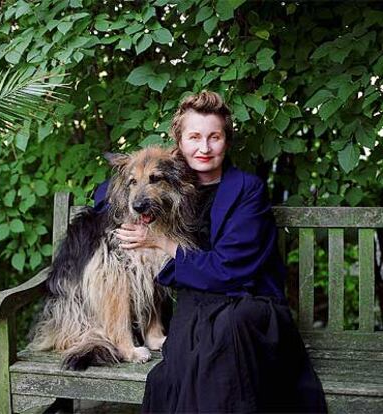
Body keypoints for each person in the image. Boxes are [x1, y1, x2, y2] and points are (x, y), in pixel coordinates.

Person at [112, 91, 328, 413]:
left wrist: (162, 243)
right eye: (194, 137)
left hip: (248, 305)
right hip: (196, 308)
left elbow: (230, 271)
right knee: (189, 356)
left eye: (214, 137)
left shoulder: (247, 189)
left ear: (226, 140)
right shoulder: (168, 184)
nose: (204, 147)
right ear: (179, 144)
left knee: (225, 337)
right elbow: (108, 192)